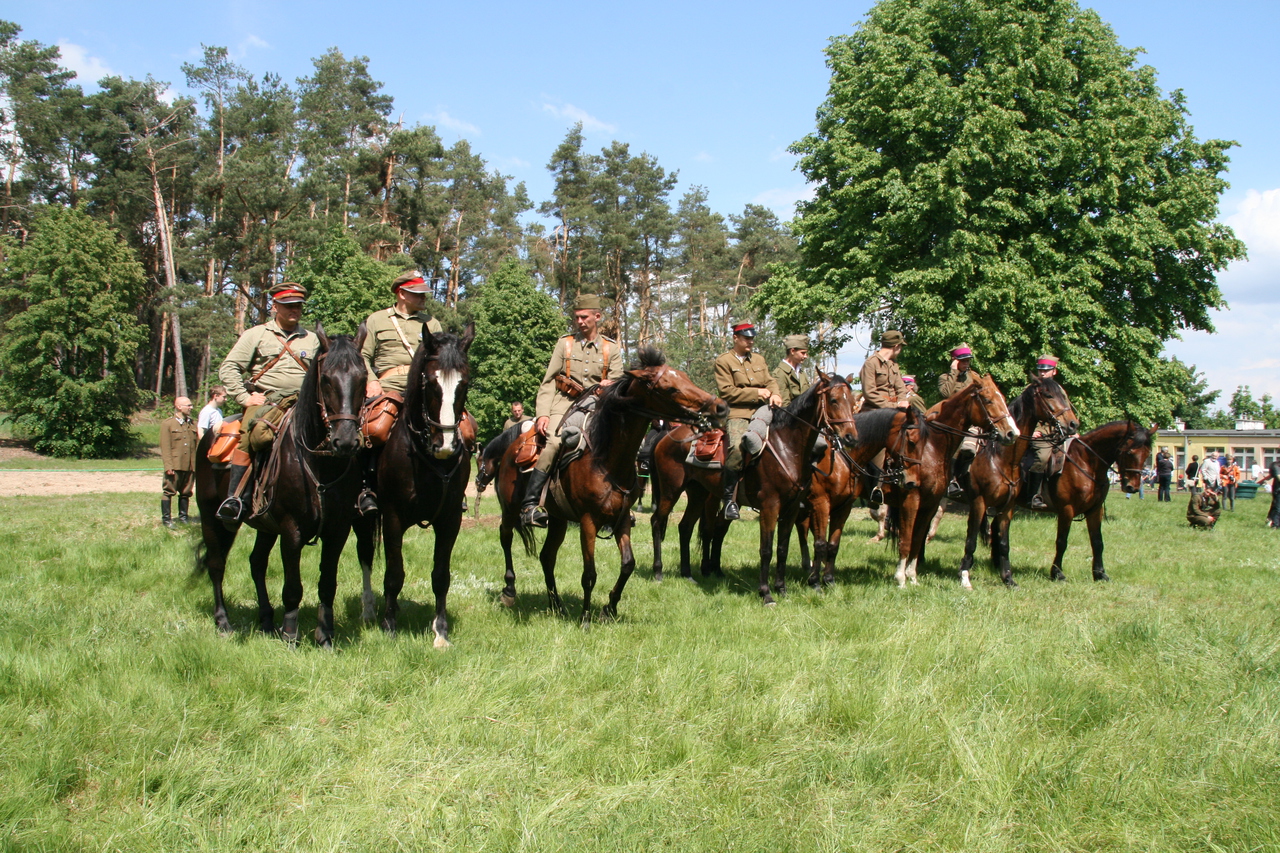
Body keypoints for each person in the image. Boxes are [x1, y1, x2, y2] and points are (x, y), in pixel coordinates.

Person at [215, 282, 322, 525]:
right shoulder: (256, 334)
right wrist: (244, 398)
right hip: (268, 402)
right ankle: (236, 498)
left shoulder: (313, 339)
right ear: (275, 306)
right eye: (288, 305)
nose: (294, 310)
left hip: (305, 402)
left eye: (298, 306)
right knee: (253, 436)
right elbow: (229, 368)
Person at [521, 294, 624, 527]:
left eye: (584, 317)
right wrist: (544, 413)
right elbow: (548, 381)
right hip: (565, 403)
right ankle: (530, 504)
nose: (579, 321)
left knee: (618, 444)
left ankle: (619, 504)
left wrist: (612, 384)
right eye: (576, 317)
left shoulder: (611, 348)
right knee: (555, 443)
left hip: (598, 407)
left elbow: (620, 380)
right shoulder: (565, 343)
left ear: (597, 317)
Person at [358, 270, 444, 514]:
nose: (424, 298)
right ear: (402, 293)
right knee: (375, 429)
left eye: (424, 294)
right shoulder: (377, 320)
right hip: (389, 386)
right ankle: (365, 488)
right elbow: (363, 355)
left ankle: (452, 488)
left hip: (426, 387)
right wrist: (371, 381)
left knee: (462, 427)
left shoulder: (431, 322)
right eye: (418, 294)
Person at [714, 321, 782, 520]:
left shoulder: (759, 359)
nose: (750, 342)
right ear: (735, 338)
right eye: (746, 338)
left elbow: (770, 381)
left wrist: (776, 394)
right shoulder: (724, 361)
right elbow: (726, 392)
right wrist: (757, 393)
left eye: (752, 338)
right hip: (739, 413)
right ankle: (729, 501)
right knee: (736, 448)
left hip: (765, 411)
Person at [1025, 355, 1065, 509]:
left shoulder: (1058, 390)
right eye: (1041, 370)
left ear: (1054, 371)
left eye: (1046, 370)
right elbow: (1024, 415)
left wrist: (1072, 430)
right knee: (1042, 457)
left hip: (1058, 432)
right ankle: (1033, 496)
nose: (1042, 373)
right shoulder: (1031, 390)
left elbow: (1065, 411)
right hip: (1039, 433)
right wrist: (1033, 432)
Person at [939, 344, 979, 499]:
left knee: (972, 448)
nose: (966, 363)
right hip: (952, 424)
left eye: (968, 360)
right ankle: (951, 481)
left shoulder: (974, 377)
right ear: (955, 360)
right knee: (952, 448)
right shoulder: (945, 378)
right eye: (963, 360)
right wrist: (953, 371)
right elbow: (946, 394)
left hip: (973, 422)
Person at [159, 396, 198, 527]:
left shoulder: (193, 424)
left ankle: (183, 517)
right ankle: (167, 519)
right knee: (169, 491)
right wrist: (168, 466)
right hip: (175, 465)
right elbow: (165, 447)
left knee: (186, 492)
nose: (191, 407)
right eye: (188, 405)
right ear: (179, 406)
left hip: (190, 464)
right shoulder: (168, 424)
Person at [771, 334, 811, 406]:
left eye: (806, 353)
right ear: (792, 351)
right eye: (803, 353)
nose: (805, 356)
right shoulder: (779, 374)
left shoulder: (801, 373)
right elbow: (784, 405)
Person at [1258, 458, 1280, 528]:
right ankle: (1275, 524)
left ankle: (1270, 520)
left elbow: (1270, 476)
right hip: (1278, 491)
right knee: (1277, 507)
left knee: (1275, 506)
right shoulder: (1275, 466)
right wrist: (1260, 482)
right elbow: (1278, 477)